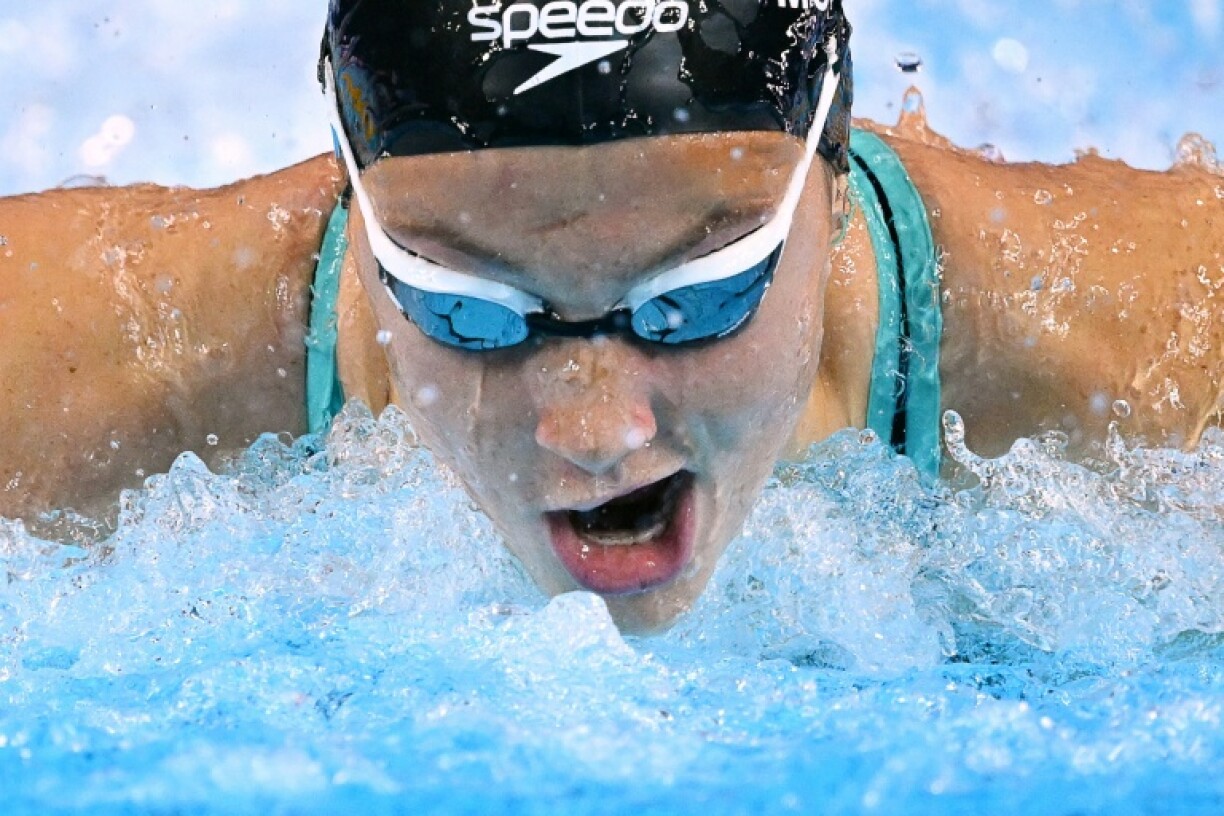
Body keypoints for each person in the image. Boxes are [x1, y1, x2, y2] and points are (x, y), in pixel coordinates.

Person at [1, 0, 1220, 631]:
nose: (592, 429)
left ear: (832, 178)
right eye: (467, 310)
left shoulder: (1167, 365)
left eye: (694, 298)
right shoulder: (66, 382)